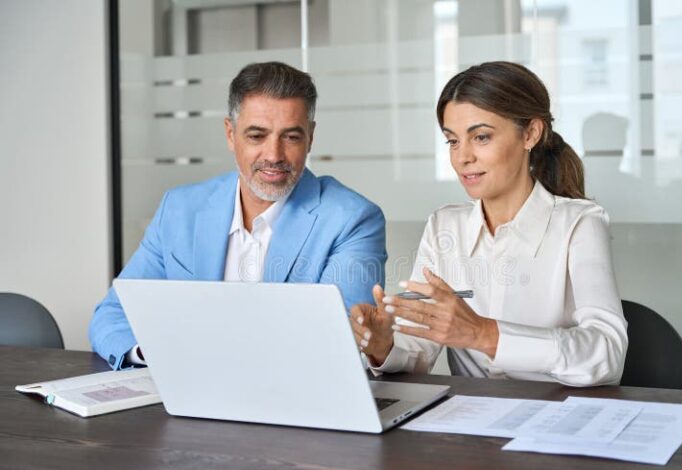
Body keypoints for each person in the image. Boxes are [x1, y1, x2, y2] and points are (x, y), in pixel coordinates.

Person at [91, 61, 387, 370]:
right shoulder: (180, 210)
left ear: (310, 136)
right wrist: (156, 353)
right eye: (257, 136)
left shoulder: (352, 220)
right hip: (185, 396)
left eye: (291, 137)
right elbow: (112, 315)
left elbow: (338, 342)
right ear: (230, 134)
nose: (274, 155)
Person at [351, 61, 627, 386]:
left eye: (480, 137)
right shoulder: (445, 226)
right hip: (471, 424)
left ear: (531, 134)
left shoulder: (579, 223)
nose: (462, 157)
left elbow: (606, 353)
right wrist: (384, 346)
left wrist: (485, 334)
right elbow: (419, 348)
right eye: (452, 141)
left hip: (555, 418)